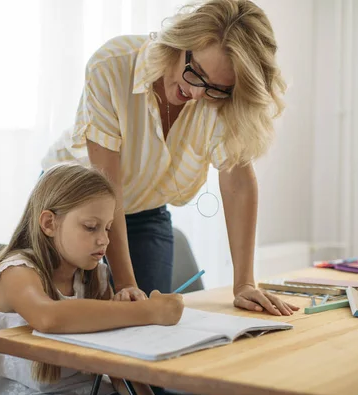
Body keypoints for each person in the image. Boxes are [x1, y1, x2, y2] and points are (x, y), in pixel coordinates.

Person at [42, 0, 299, 317]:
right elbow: (106, 187)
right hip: (78, 206)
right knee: (78, 318)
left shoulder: (220, 99)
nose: (196, 96)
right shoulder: (112, 65)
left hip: (146, 208)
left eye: (218, 88)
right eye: (197, 74)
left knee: (152, 325)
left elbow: (238, 182)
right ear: (182, 42)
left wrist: (245, 284)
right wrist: (125, 286)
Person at [0, 163, 185, 395]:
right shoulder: (16, 272)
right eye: (91, 227)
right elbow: (48, 317)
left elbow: (113, 364)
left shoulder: (96, 278)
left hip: (88, 393)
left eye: (108, 228)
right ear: (49, 224)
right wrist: (147, 311)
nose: (104, 240)